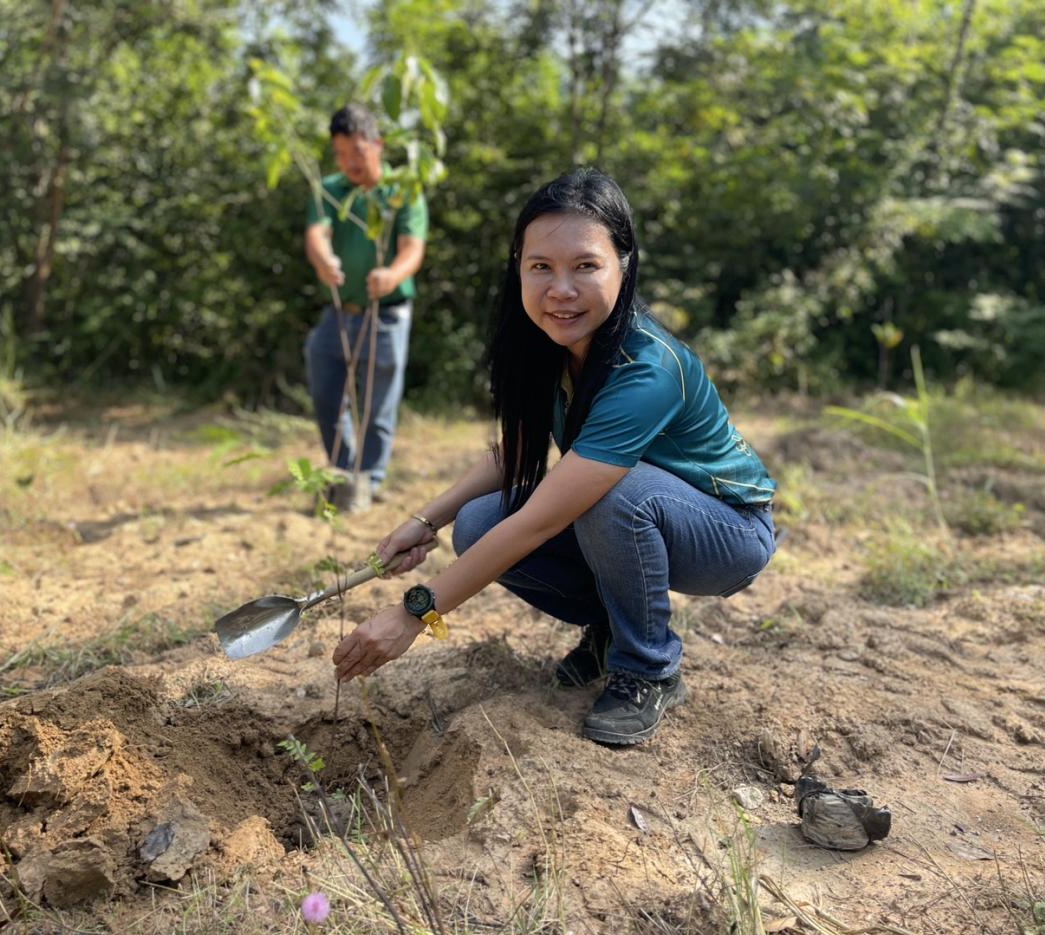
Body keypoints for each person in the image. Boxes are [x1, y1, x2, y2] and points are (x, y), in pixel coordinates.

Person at [331, 169, 776, 746]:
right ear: (519, 267)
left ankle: (649, 669)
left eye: (585, 266)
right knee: (478, 521)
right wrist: (424, 521)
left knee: (612, 495)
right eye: (541, 267)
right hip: (635, 510)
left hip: (727, 531)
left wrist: (414, 613)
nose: (560, 289)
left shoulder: (647, 369)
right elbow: (515, 454)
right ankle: (610, 630)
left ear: (624, 263)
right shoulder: (550, 344)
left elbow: (543, 518)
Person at [304, 104, 428, 511]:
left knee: (377, 407)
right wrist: (324, 260)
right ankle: (343, 474)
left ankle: (368, 485)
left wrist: (391, 275)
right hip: (340, 312)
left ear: (377, 145)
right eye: (340, 154)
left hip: (387, 313)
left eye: (356, 151)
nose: (349, 162)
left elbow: (412, 249)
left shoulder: (403, 189)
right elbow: (317, 235)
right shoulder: (331, 189)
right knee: (325, 392)